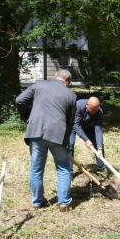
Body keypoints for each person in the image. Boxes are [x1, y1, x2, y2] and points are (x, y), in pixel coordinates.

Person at [16, 69, 77, 212]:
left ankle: (37, 202)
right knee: (63, 168)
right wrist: (66, 139)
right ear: (67, 81)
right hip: (58, 135)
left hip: (36, 132)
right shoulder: (71, 95)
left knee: (36, 169)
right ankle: (63, 204)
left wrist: (27, 118)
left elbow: (19, 100)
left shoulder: (38, 85)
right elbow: (71, 121)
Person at [70, 97, 106, 172]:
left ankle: (101, 167)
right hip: (72, 126)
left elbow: (98, 130)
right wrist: (86, 139)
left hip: (87, 126)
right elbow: (76, 125)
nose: (93, 112)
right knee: (70, 144)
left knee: (98, 143)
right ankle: (69, 170)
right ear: (87, 105)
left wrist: (99, 148)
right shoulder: (78, 106)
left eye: (95, 111)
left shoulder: (99, 112)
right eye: (91, 110)